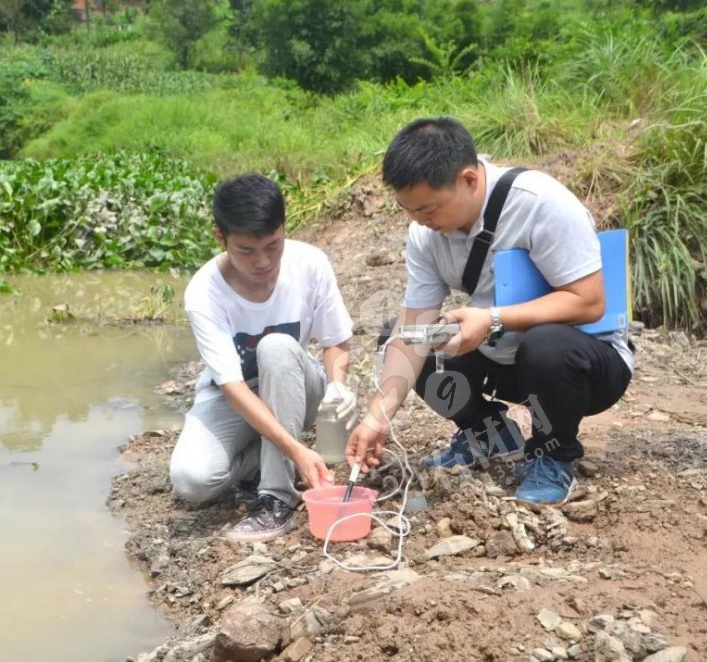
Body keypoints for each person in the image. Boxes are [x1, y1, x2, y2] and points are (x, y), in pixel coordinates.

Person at [347, 117, 634, 505]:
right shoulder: (425, 234)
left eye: (429, 210)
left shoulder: (539, 203)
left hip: (582, 366)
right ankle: (488, 435)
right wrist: (377, 416)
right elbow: (413, 323)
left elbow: (589, 301)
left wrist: (492, 318)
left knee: (546, 344)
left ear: (468, 179)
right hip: (504, 356)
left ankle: (553, 451)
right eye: (409, 211)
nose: (421, 223)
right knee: (410, 336)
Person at [169, 173, 356, 542]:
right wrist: (296, 449)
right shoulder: (205, 293)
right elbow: (233, 388)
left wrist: (337, 386)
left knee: (276, 346)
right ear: (220, 238)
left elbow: (336, 341)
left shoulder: (310, 264)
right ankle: (273, 452)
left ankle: (276, 498)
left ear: (284, 228)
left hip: (297, 388)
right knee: (192, 480)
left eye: (273, 246)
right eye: (246, 251)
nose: (263, 262)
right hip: (235, 397)